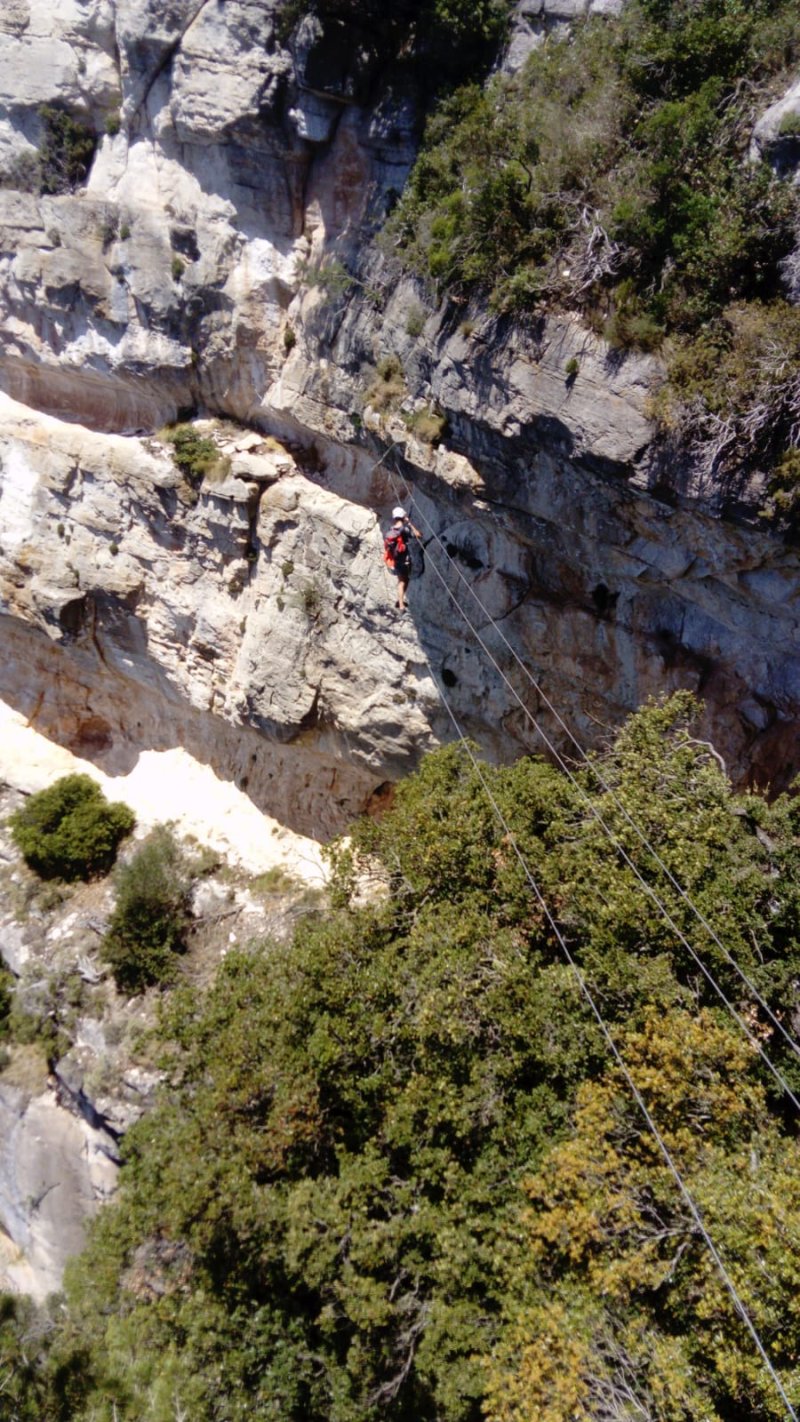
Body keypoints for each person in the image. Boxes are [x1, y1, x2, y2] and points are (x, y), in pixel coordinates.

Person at [383, 505, 422, 612]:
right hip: (404, 559)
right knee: (402, 581)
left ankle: (400, 601)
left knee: (404, 579)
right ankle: (401, 605)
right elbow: (418, 535)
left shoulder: (391, 529)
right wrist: (409, 523)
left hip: (396, 559)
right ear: (403, 516)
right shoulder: (404, 529)